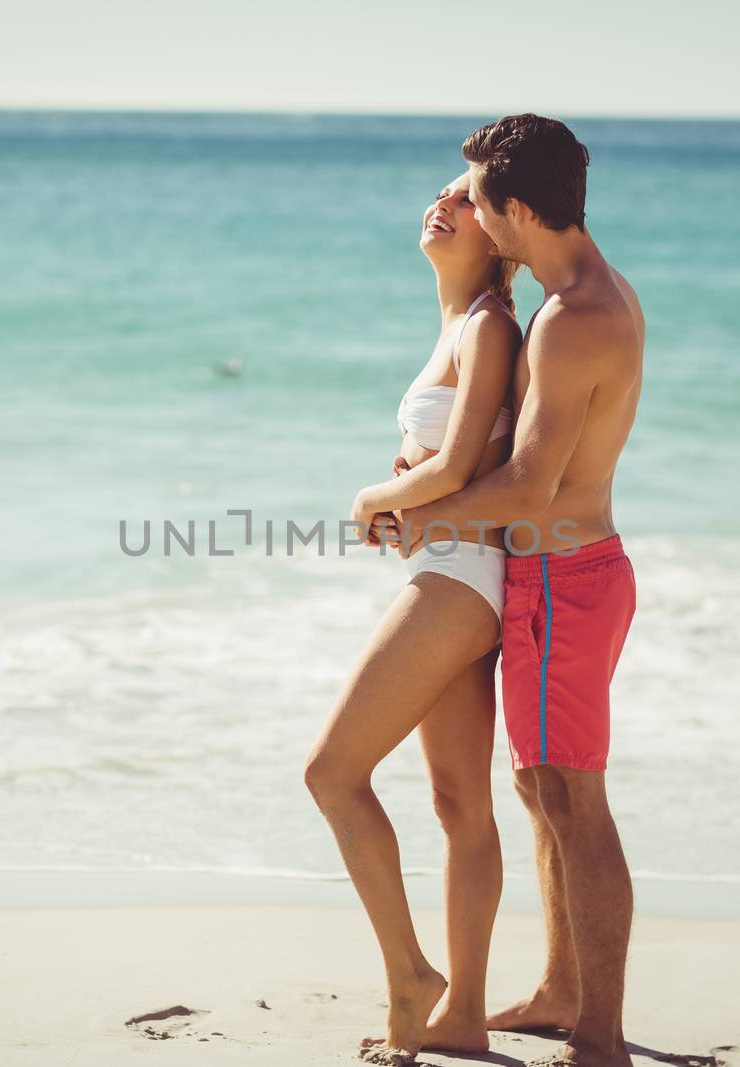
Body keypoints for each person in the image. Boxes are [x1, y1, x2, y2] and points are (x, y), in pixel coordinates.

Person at [399, 114, 646, 1067]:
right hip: (574, 573)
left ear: (516, 208)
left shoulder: (571, 317)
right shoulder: (591, 293)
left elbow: (532, 488)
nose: (466, 211)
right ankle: (562, 989)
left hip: (565, 576)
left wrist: (419, 514)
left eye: (476, 198)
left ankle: (599, 1038)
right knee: (543, 787)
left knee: (575, 801)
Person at [304, 171, 521, 1063]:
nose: (444, 205)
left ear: (499, 230)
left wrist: (375, 493)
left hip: (464, 577)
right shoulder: (459, 323)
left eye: (466, 199)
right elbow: (455, 459)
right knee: (458, 800)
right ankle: (462, 1015)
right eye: (439, 193)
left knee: (331, 771)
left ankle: (411, 976)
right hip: (455, 566)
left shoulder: (491, 327)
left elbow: (464, 460)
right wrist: (411, 481)